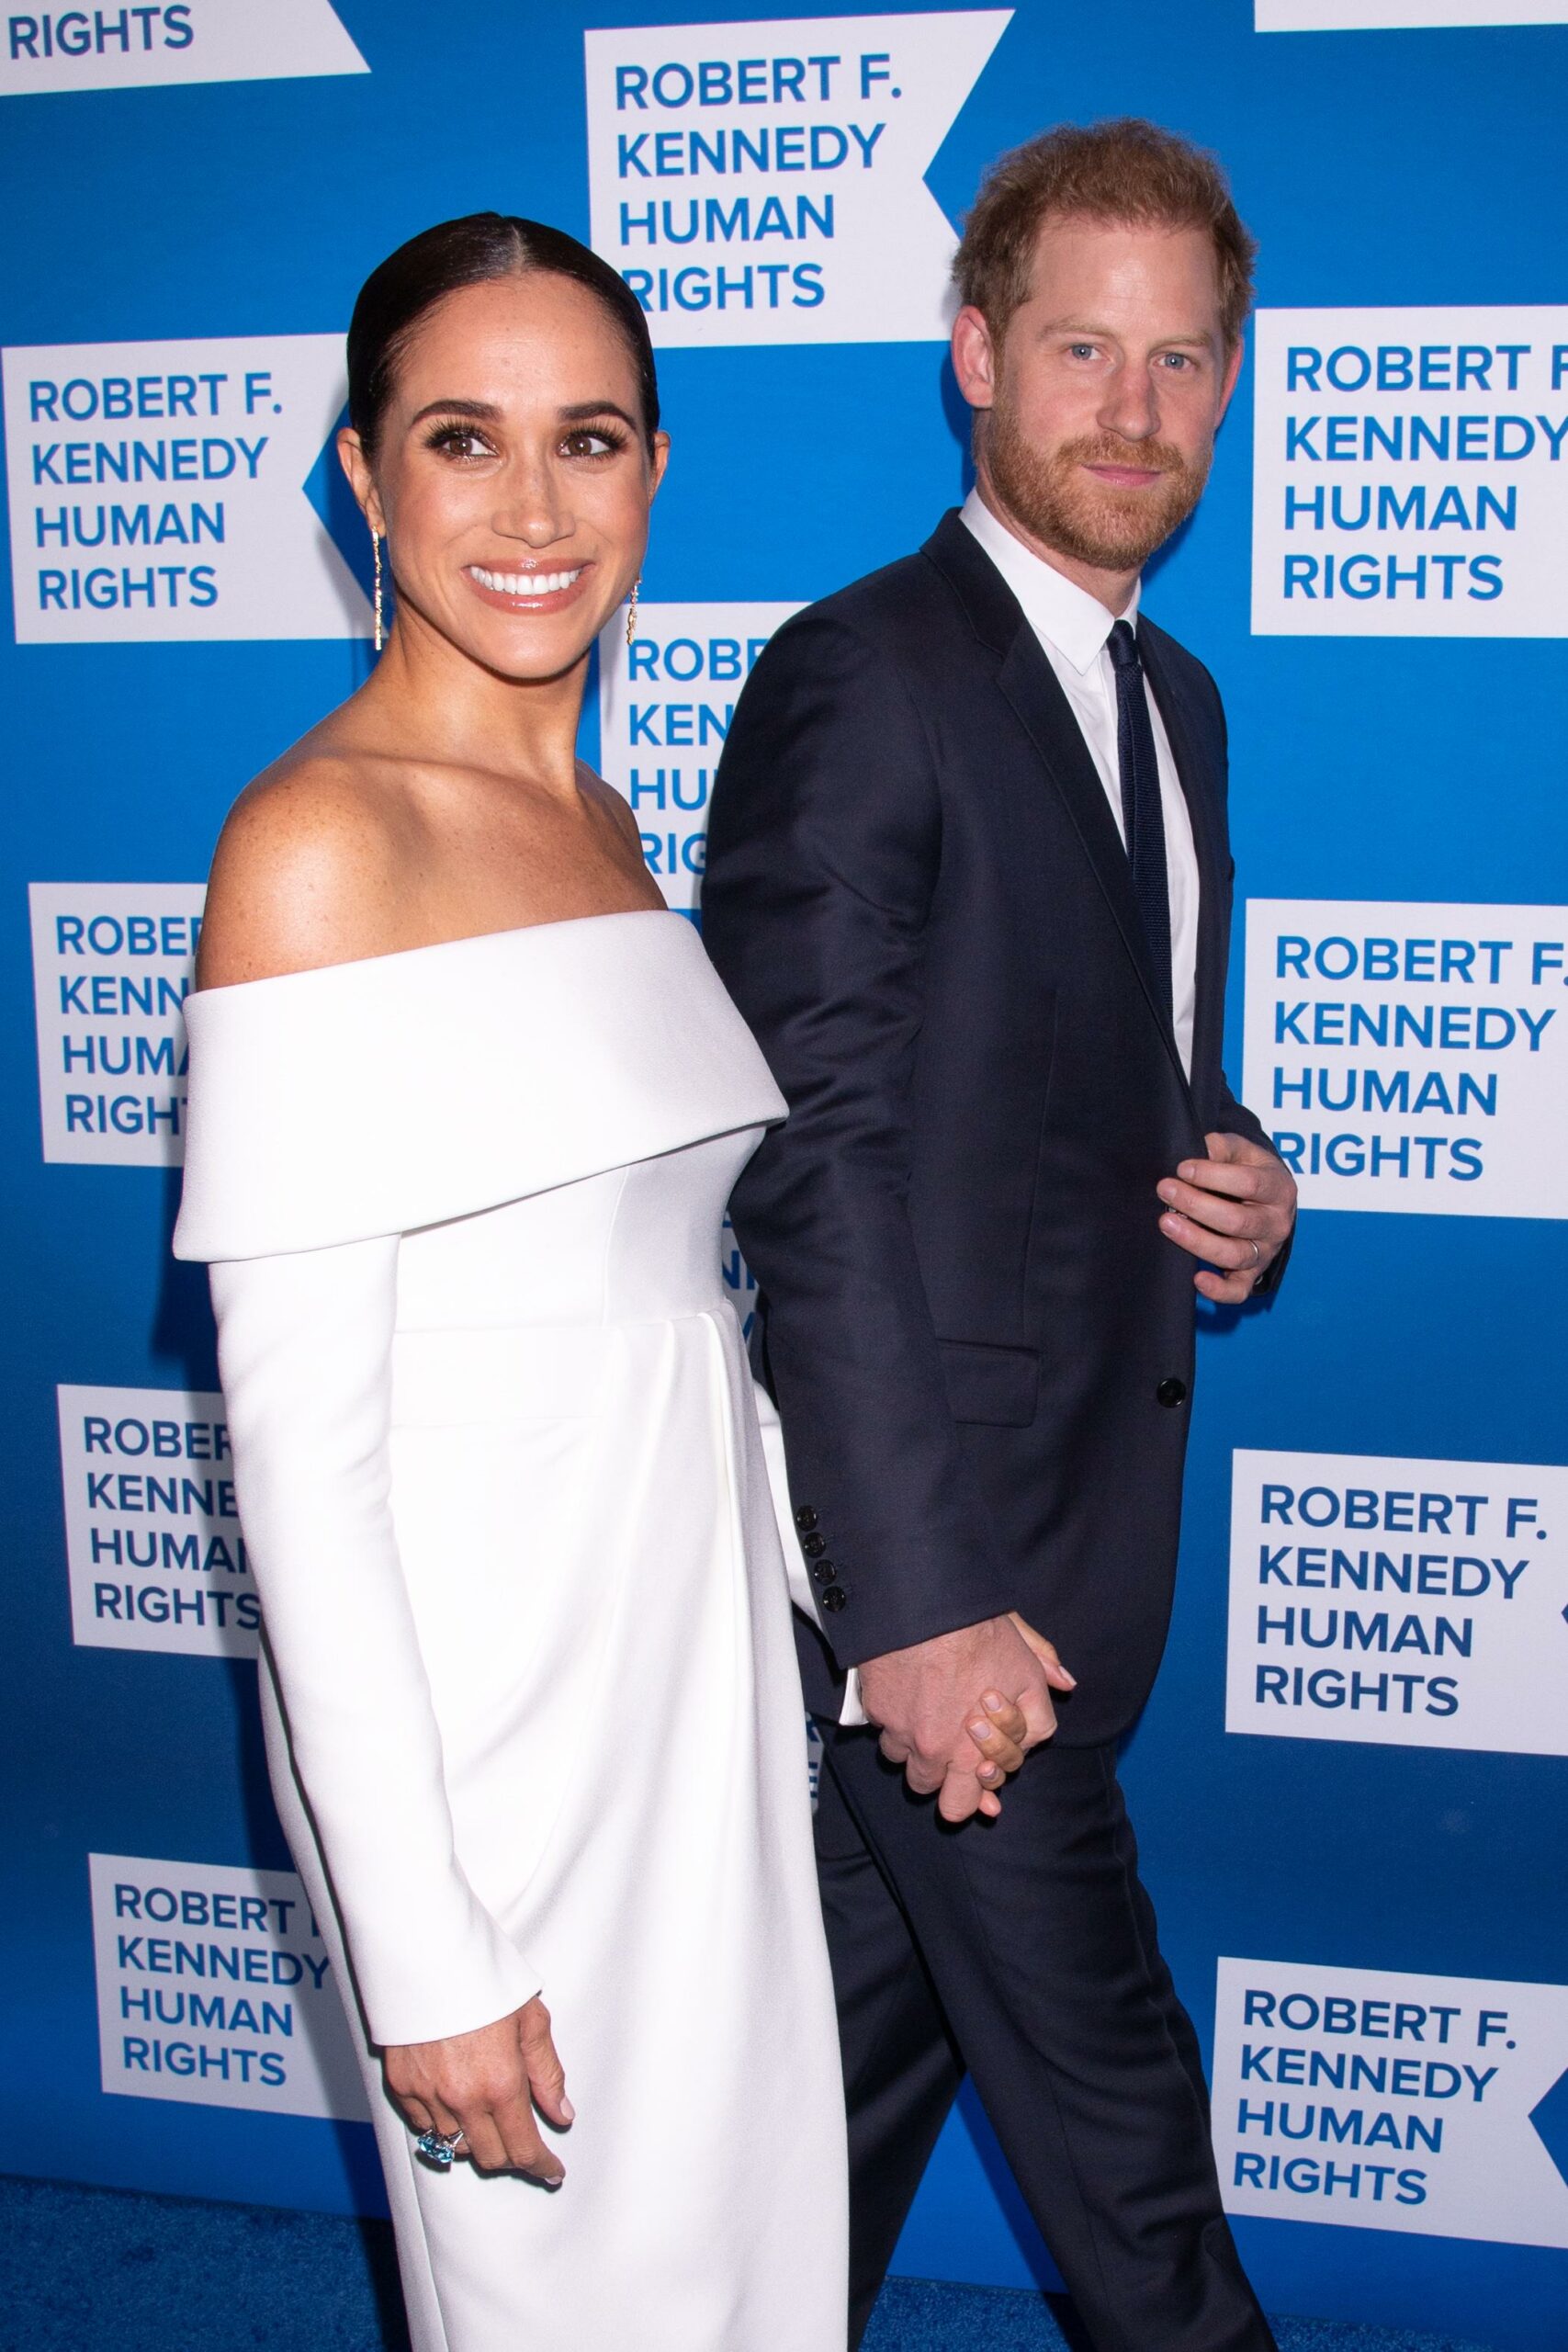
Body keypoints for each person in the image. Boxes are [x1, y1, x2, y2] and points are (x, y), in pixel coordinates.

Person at [172, 212, 1024, 2352]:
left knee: (744, 2271)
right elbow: (298, 1465)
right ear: (362, 476)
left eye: (591, 438)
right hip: (489, 1731)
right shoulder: (316, 848)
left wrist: (842, 1615)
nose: (535, 509)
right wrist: (422, 1936)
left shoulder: (615, 822)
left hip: (697, 1685)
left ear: (654, 469)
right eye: (462, 440)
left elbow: (668, 1301)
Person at [703, 120, 1299, 2352]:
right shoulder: (863, 670)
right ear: (973, 354)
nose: (1135, 412)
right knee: (1135, 2178)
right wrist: (921, 1606)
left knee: (831, 2114)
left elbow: (1106, 1064)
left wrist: (1238, 1175)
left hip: (1069, 1547)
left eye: (1182, 363)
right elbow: (809, 1152)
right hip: (949, 1602)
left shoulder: (1174, 698)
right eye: (1080, 349)